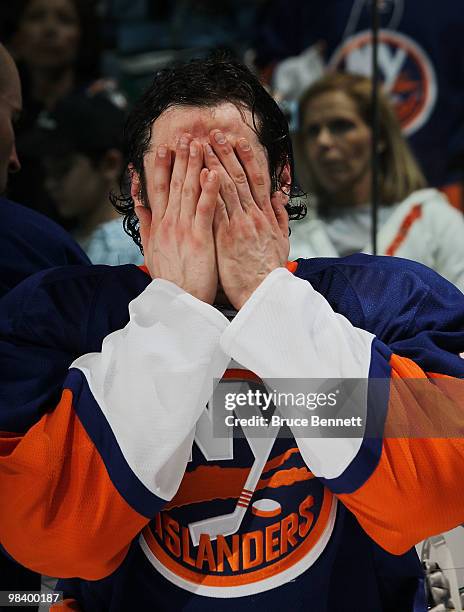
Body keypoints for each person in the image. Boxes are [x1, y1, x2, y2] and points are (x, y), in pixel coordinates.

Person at [1, 56, 464, 612]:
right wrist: (177, 314)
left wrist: (270, 301)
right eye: (178, 171)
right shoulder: (54, 315)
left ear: (282, 180)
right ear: (138, 191)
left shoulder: (389, 300)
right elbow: (53, 537)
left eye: (232, 166)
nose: (206, 190)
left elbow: (431, 496)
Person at [289, 72, 464, 293]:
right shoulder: (288, 228)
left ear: (380, 137)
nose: (323, 141)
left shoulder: (436, 223)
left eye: (341, 126)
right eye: (313, 131)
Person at [24, 90, 143, 265]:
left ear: (110, 164)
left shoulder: (138, 246)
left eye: (62, 170)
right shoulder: (67, 241)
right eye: (47, 171)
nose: (49, 184)